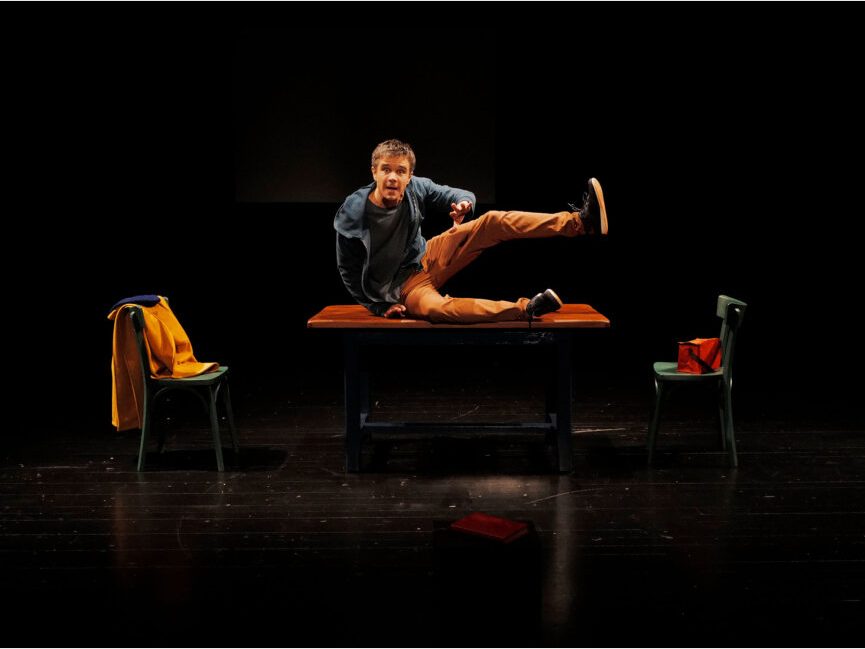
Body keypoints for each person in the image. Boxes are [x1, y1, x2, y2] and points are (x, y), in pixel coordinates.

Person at [334, 139, 607, 324]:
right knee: (437, 309)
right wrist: (380, 307)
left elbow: (457, 193)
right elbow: (348, 271)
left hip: (427, 256)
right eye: (386, 170)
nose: (393, 177)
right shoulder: (353, 213)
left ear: (409, 176)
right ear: (374, 173)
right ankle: (527, 308)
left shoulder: (416, 187)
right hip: (404, 290)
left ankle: (582, 223)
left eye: (400, 171)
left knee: (492, 221)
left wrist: (465, 203)